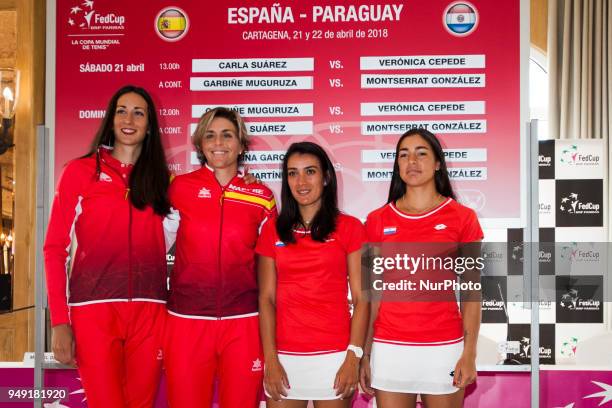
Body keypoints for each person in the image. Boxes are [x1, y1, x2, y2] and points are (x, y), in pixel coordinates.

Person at [44, 85, 170, 407]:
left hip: (150, 310)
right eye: (122, 111)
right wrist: (60, 321)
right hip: (94, 311)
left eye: (138, 112)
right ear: (111, 119)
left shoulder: (162, 181)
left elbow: (209, 201)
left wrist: (243, 181)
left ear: (150, 125)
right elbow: (54, 249)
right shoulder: (80, 171)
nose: (129, 119)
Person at [360, 128, 483, 408]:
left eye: (421, 154)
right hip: (390, 349)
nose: (412, 161)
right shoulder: (376, 220)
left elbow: (472, 292)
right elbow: (371, 294)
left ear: (438, 163)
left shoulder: (463, 218)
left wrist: (470, 352)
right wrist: (364, 354)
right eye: (404, 155)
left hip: (444, 350)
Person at [163, 107, 277, 407]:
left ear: (241, 144)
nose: (219, 143)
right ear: (200, 144)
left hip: (243, 322)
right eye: (210, 135)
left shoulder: (261, 196)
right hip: (186, 320)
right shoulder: (179, 188)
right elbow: (155, 244)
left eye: (227, 135)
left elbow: (271, 268)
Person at [257, 142, 369, 407]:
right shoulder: (272, 230)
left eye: (310, 171)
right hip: (283, 358)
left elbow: (364, 298)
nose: (301, 181)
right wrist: (270, 360)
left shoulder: (352, 228)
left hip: (335, 358)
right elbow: (266, 299)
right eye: (293, 173)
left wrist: (353, 356)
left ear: (327, 177)